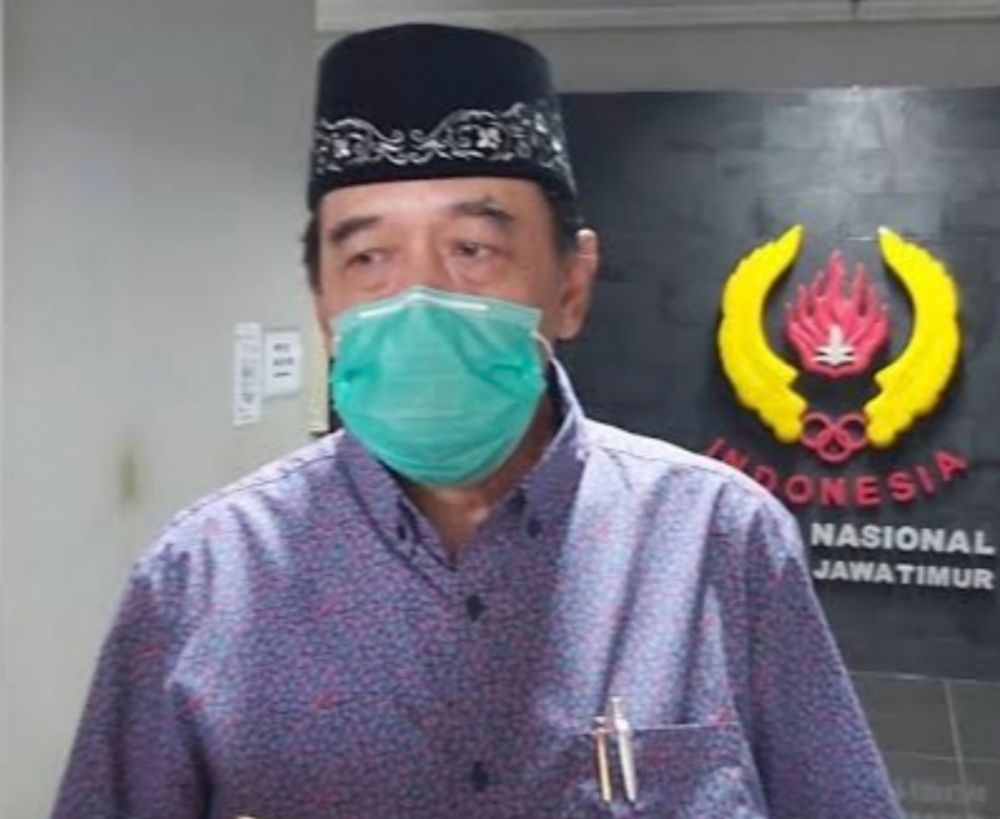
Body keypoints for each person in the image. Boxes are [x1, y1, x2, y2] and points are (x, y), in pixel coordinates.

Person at [51, 23, 904, 819]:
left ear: (571, 284)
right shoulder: (201, 578)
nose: (421, 298)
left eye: (473, 249)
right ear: (322, 306)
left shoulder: (719, 540)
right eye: (368, 257)